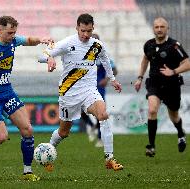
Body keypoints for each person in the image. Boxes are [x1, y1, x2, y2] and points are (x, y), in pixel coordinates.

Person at [0, 15, 52, 181]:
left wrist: (41, 39)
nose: (12, 36)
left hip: (7, 92)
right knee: (1, 136)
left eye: (14, 32)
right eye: (9, 33)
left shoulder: (13, 39)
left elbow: (28, 40)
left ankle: (27, 172)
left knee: (27, 129)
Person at [38, 13, 123, 171]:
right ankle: (48, 150)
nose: (85, 34)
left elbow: (105, 59)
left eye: (89, 31)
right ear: (77, 27)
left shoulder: (97, 45)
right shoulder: (67, 43)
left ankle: (109, 158)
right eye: (82, 30)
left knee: (103, 115)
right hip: (69, 94)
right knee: (64, 132)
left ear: (93, 29)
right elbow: (41, 55)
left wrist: (112, 79)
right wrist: (49, 59)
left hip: (89, 91)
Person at [134, 17, 190, 157]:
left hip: (172, 85)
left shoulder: (174, 45)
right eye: (156, 27)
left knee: (174, 116)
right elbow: (145, 60)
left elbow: (188, 63)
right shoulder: (149, 45)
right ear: (153, 29)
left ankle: (180, 133)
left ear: (167, 29)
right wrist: (140, 78)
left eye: (162, 27)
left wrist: (174, 71)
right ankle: (151, 146)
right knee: (152, 110)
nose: (159, 29)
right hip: (154, 84)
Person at [82, 33, 118, 148]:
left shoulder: (103, 55)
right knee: (80, 110)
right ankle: (91, 126)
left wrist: (106, 79)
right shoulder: (82, 55)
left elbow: (115, 70)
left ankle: (99, 138)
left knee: (100, 113)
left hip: (99, 88)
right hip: (85, 88)